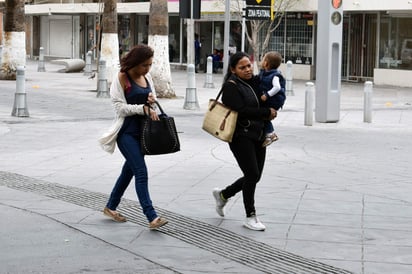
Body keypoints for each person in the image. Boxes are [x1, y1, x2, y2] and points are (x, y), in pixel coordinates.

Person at [98, 44, 168, 230]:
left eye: (150, 65)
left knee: (128, 172)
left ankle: (111, 206)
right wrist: (142, 108)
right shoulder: (121, 78)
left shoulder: (147, 77)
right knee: (141, 172)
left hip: (144, 132)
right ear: (135, 62)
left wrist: (151, 103)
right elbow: (119, 108)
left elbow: (150, 102)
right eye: (145, 65)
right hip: (126, 133)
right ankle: (152, 216)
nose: (147, 69)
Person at [212, 52, 277, 231]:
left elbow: (268, 97)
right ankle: (250, 216)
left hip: (259, 134)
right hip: (241, 136)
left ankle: (223, 195)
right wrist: (266, 113)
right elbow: (240, 110)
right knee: (251, 174)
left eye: (249, 65)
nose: (248, 70)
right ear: (233, 70)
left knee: (255, 176)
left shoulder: (256, 81)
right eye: (242, 67)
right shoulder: (231, 86)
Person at [258, 51, 286, 147]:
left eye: (263, 59)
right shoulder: (265, 73)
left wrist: (267, 95)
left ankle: (270, 134)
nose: (261, 61)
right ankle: (269, 134)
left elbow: (277, 87)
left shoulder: (274, 75)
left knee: (264, 115)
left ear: (266, 63)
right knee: (264, 117)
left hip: (274, 100)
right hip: (270, 99)